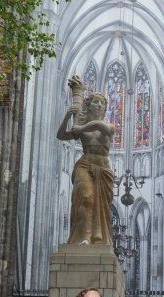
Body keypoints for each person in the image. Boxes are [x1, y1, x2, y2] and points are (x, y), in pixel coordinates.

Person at [57, 76, 115, 246]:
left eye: (102, 103)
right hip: (84, 164)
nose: (99, 105)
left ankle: (98, 238)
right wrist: (68, 117)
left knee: (101, 208)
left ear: (105, 109)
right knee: (85, 197)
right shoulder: (80, 126)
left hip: (103, 168)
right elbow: (61, 136)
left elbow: (100, 127)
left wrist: (81, 127)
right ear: (89, 106)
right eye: (95, 102)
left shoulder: (109, 126)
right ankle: (83, 237)